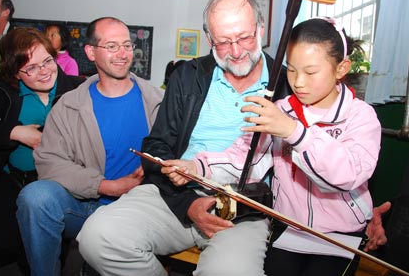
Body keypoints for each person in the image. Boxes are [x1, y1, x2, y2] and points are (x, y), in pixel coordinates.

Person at [77, 0, 291, 276]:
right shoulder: (188, 75)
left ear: (261, 29)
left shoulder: (289, 86)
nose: (237, 51)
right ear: (209, 39)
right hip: (177, 193)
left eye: (244, 37)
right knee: (98, 237)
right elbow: (156, 145)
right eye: (224, 42)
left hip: (243, 207)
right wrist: (188, 204)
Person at [160, 17, 382, 276]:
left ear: (341, 68)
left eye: (310, 72)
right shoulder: (281, 110)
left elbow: (348, 175)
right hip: (290, 229)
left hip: (340, 236)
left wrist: (294, 133)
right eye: (291, 69)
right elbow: (245, 160)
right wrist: (197, 166)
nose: (298, 82)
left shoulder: (360, 116)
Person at [15, 17, 163, 276]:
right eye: (112, 46)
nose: (122, 54)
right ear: (90, 52)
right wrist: (106, 186)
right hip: (85, 204)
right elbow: (49, 161)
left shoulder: (158, 102)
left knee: (104, 255)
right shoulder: (69, 105)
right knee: (35, 197)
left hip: (137, 208)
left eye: (127, 45)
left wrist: (154, 169)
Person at [0, 27, 84, 272]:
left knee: (39, 254)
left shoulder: (77, 88)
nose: (44, 71)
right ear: (15, 72)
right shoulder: (0, 91)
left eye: (47, 60)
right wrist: (14, 132)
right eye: (31, 67)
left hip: (59, 184)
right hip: (14, 177)